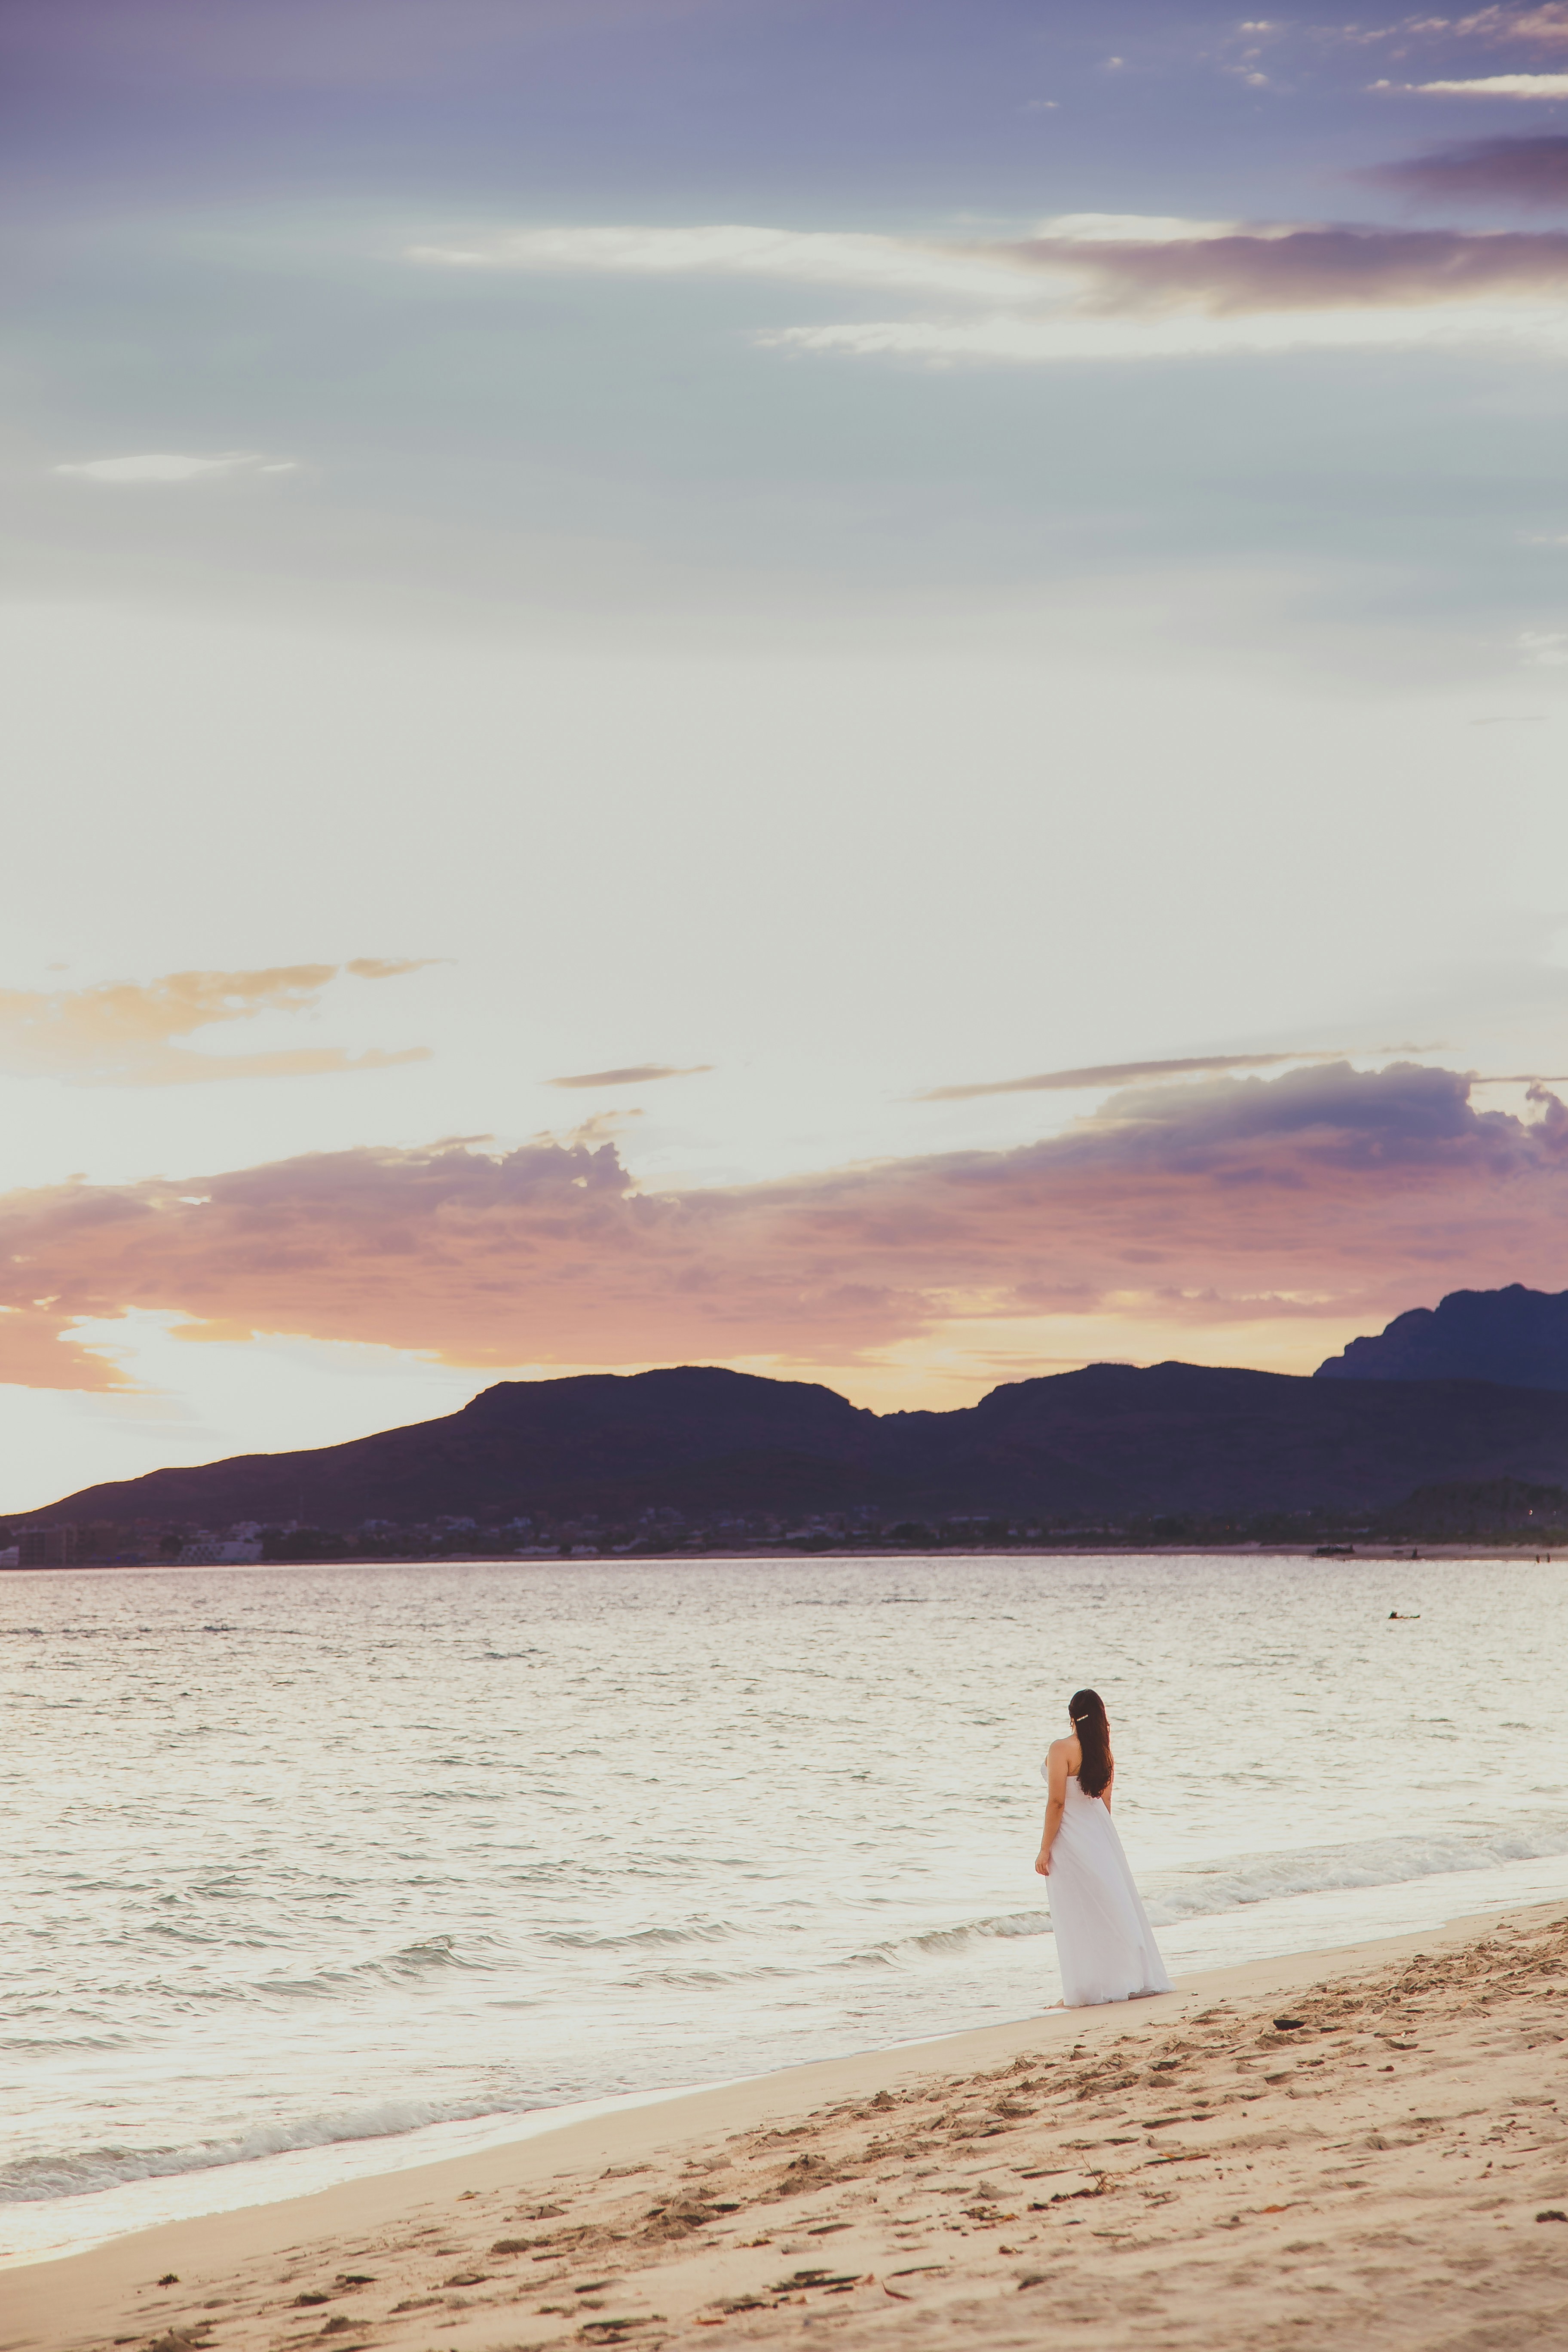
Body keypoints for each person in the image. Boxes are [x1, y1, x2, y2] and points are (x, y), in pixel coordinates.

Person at [1035, 1687, 1172, 2008]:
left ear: (1071, 1716)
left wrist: (1045, 1849)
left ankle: (1088, 1988)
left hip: (1070, 1838)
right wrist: (1099, 1842)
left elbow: (1057, 1802)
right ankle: (1120, 1977)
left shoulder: (1061, 1749)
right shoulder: (1104, 1753)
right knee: (1109, 1907)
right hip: (1100, 1836)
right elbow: (1104, 1803)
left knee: (1078, 1912)